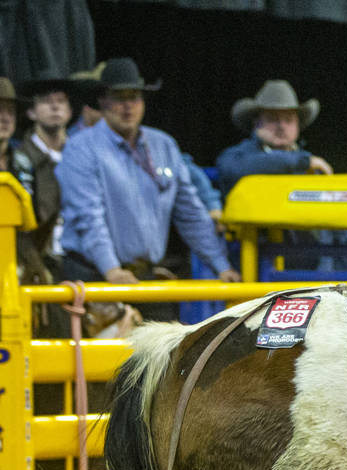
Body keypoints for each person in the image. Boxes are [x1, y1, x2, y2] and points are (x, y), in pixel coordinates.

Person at [56, 58, 239, 320]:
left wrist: (221, 266)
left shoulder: (164, 145)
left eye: (134, 97)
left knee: (161, 355)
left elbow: (190, 211)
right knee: (98, 358)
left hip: (144, 276)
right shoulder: (81, 148)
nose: (127, 106)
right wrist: (112, 271)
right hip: (94, 275)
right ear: (102, 102)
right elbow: (87, 216)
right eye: (119, 98)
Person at [215, 79, 332, 197]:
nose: (281, 126)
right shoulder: (236, 157)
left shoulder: (309, 164)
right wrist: (302, 161)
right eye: (272, 119)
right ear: (257, 123)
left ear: (298, 125)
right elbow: (231, 169)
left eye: (288, 120)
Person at [17, 68, 74, 276]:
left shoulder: (84, 156)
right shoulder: (19, 160)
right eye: (45, 100)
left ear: (69, 111)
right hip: (38, 263)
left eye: (61, 100)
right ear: (31, 112)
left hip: (80, 262)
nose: (55, 105)